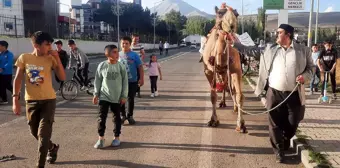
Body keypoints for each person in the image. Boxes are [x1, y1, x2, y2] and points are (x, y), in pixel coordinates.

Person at [233, 24, 313, 163]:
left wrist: (304, 77)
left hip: (294, 94)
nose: (276, 35)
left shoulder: (303, 50)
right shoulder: (269, 49)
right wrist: (235, 43)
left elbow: (311, 68)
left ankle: (286, 138)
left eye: (279, 33)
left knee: (294, 122)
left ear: (287, 35)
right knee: (274, 123)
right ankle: (278, 151)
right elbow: (250, 51)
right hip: (274, 93)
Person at [12, 31, 66, 167]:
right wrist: (15, 100)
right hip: (31, 101)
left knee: (43, 135)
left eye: (50, 44)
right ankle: (52, 147)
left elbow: (62, 77)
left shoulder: (51, 58)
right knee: (34, 132)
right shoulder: (25, 58)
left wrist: (57, 58)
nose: (50, 47)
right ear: (36, 45)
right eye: (47, 45)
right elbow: (18, 79)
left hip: (49, 100)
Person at [93, 44, 128, 149]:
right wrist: (96, 94)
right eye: (114, 52)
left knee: (116, 118)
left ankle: (116, 137)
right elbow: (98, 80)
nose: (117, 54)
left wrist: (124, 96)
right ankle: (101, 138)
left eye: (117, 52)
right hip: (104, 96)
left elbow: (125, 82)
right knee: (101, 118)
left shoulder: (121, 66)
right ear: (107, 54)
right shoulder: (102, 65)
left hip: (117, 98)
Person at [119, 36, 144, 125]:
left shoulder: (134, 55)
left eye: (126, 43)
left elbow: (140, 67)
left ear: (130, 44)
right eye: (123, 43)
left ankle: (130, 116)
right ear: (120, 44)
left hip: (132, 81)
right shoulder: (118, 55)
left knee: (131, 98)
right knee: (121, 99)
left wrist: (141, 79)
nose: (124, 45)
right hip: (120, 82)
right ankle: (123, 115)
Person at [0, 40, 14, 105]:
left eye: (0, 46)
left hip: (7, 73)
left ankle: (16, 92)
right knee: (1, 86)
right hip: (1, 73)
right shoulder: (0, 54)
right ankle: (4, 99)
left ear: (4, 46)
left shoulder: (9, 54)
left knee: (7, 85)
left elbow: (9, 63)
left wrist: (3, 68)